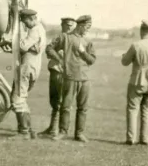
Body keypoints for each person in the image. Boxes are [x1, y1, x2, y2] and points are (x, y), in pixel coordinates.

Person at [45, 14, 96, 142]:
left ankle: (79, 134)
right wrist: (60, 59)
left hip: (85, 78)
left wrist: (83, 52)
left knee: (83, 108)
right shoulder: (65, 37)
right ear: (80, 26)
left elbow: (92, 60)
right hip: (70, 76)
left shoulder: (88, 41)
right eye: (87, 27)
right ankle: (63, 132)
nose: (88, 30)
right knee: (66, 106)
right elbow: (49, 49)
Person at [121, 20, 148, 145]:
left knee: (133, 109)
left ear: (142, 31)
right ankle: (145, 139)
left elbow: (125, 62)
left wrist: (125, 56)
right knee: (147, 111)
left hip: (137, 80)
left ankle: (131, 138)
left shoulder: (136, 45)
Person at [8, 8, 47, 140]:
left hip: (27, 67)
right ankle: (29, 130)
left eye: (25, 22)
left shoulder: (35, 30)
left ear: (31, 19)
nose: (25, 24)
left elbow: (23, 46)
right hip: (34, 66)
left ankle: (23, 131)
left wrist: (10, 41)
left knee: (17, 97)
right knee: (22, 98)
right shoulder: (41, 28)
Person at [39, 17, 76, 137]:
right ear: (62, 25)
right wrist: (60, 58)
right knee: (55, 100)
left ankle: (60, 130)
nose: (69, 27)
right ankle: (53, 128)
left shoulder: (76, 39)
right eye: (67, 25)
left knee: (64, 102)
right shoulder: (59, 37)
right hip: (57, 71)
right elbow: (49, 49)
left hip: (69, 74)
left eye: (71, 25)